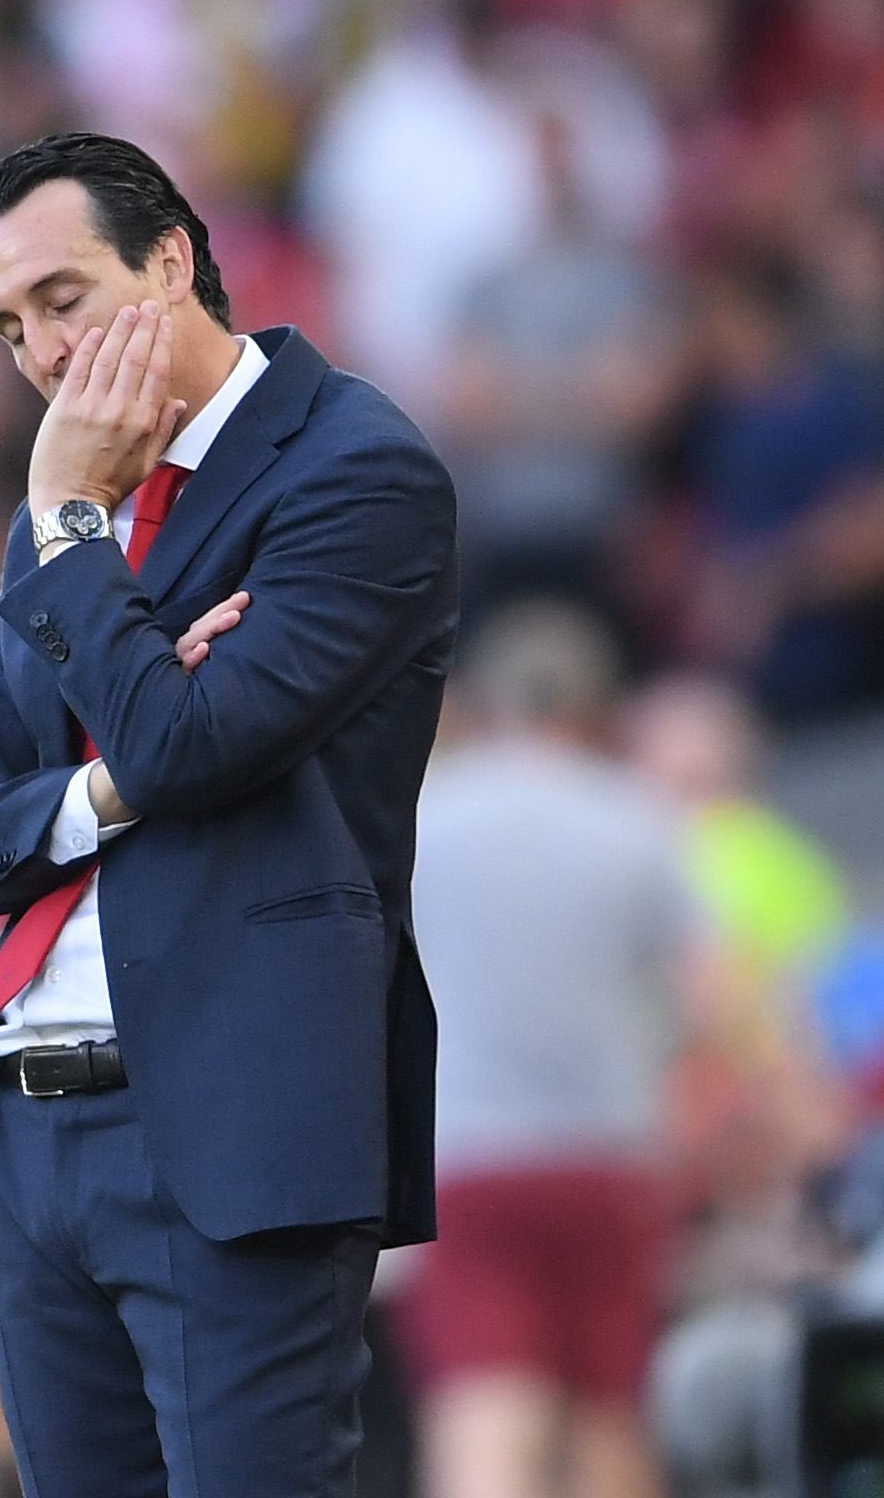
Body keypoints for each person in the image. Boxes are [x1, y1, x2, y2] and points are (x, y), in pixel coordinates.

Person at [0, 131, 459, 1497]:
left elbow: (188, 742)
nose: (41, 353)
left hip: (229, 1119)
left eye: (63, 298)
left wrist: (70, 529)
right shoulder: (68, 516)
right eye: (8, 327)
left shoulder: (355, 468)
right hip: (32, 1130)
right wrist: (108, 784)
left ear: (169, 261)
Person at [398, 603, 695, 1498]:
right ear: (597, 710)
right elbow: (706, 998)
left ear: (484, 703)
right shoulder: (640, 818)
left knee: (484, 1410)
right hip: (610, 1154)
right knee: (608, 1411)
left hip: (466, 1160)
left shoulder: (424, 819)